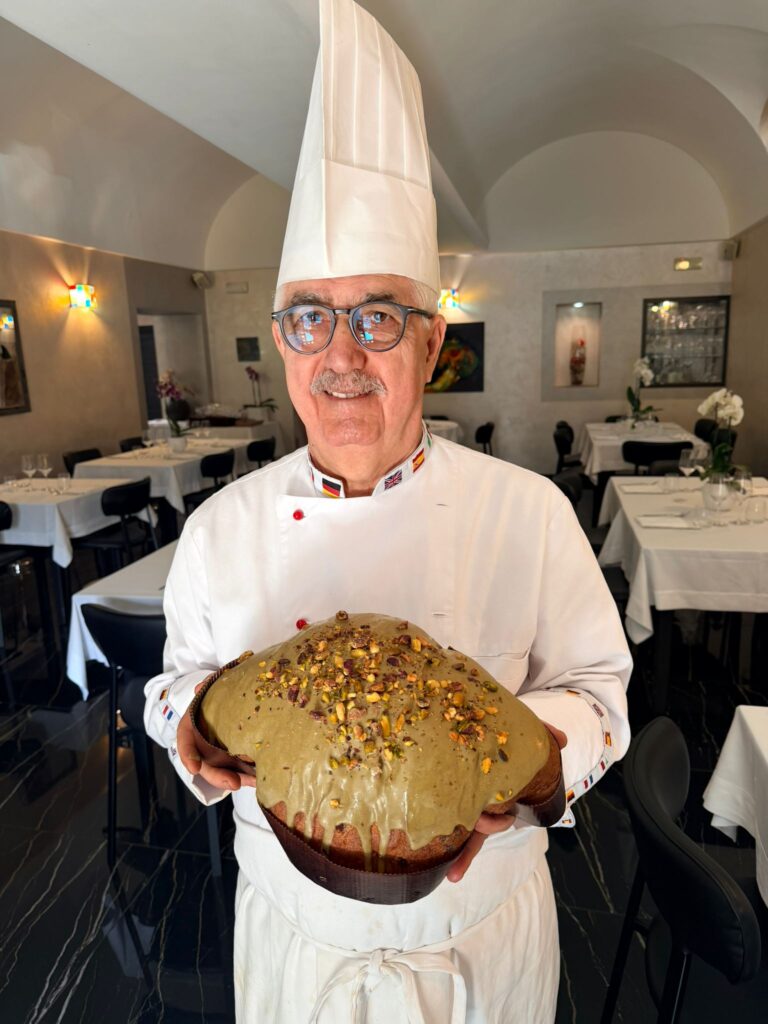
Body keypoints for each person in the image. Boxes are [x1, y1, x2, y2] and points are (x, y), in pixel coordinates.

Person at [144, 1, 631, 1020]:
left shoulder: (530, 511)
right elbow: (173, 684)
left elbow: (601, 697)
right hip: (294, 947)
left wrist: (516, 765)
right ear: (283, 341)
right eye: (308, 319)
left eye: (376, 317)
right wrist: (190, 721)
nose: (342, 356)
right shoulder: (220, 527)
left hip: (481, 949)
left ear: (431, 341)